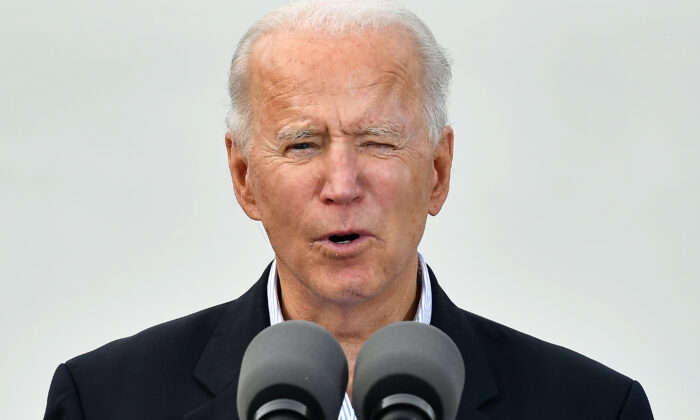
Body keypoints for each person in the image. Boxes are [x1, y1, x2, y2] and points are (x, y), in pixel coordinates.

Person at [44, 1, 654, 419]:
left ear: (438, 172)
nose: (342, 185)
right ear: (244, 178)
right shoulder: (102, 401)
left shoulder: (593, 406)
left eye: (378, 142)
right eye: (303, 145)